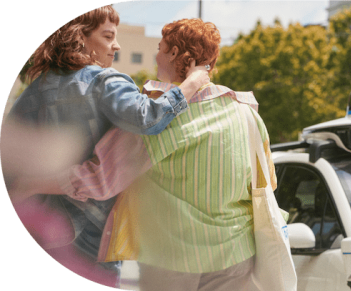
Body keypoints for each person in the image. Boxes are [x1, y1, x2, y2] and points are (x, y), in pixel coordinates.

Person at [8, 18, 278, 290]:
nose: (155, 56)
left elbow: (100, 179)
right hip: (237, 256)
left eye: (160, 48)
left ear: (173, 54)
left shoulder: (163, 118)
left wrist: (30, 184)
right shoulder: (246, 112)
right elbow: (267, 181)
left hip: (173, 258)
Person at [2, 6, 209, 288]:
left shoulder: (38, 87)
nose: (117, 45)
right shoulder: (104, 81)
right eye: (108, 36)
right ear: (80, 38)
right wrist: (192, 83)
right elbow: (148, 118)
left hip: (41, 228)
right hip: (90, 236)